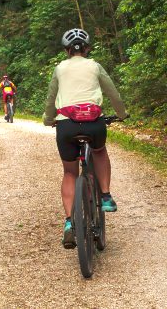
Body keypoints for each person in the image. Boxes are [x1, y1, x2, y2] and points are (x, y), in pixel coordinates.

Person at [42, 28, 128, 249]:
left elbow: (52, 98)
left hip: (67, 126)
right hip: (94, 124)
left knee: (70, 172)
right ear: (87, 48)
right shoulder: (95, 66)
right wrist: (121, 114)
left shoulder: (59, 68)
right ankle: (106, 196)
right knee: (99, 151)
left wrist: (48, 118)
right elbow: (113, 93)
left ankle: (70, 223)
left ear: (66, 50)